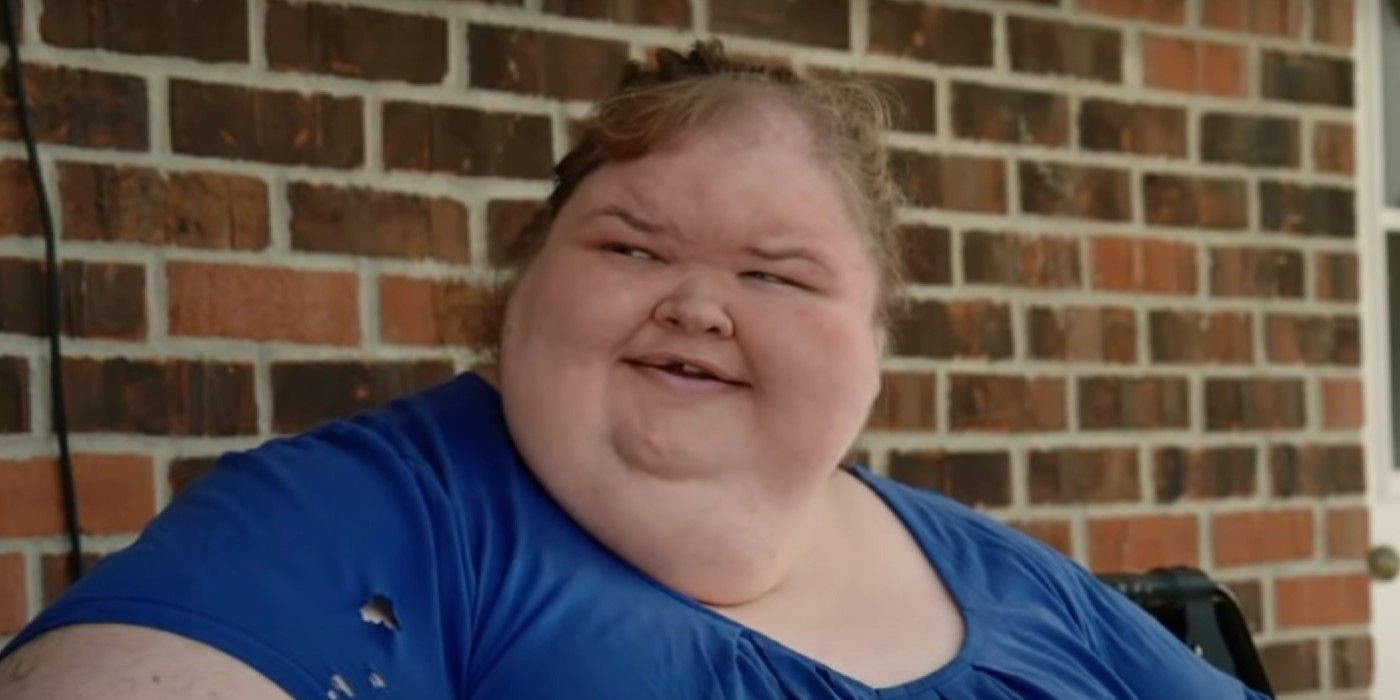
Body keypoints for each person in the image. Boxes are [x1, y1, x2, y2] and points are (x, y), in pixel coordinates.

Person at [0, 42, 1267, 699]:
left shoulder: (1008, 582)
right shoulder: (364, 517)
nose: (699, 305)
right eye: (630, 245)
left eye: (775, 274)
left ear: (873, 340)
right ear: (521, 284)